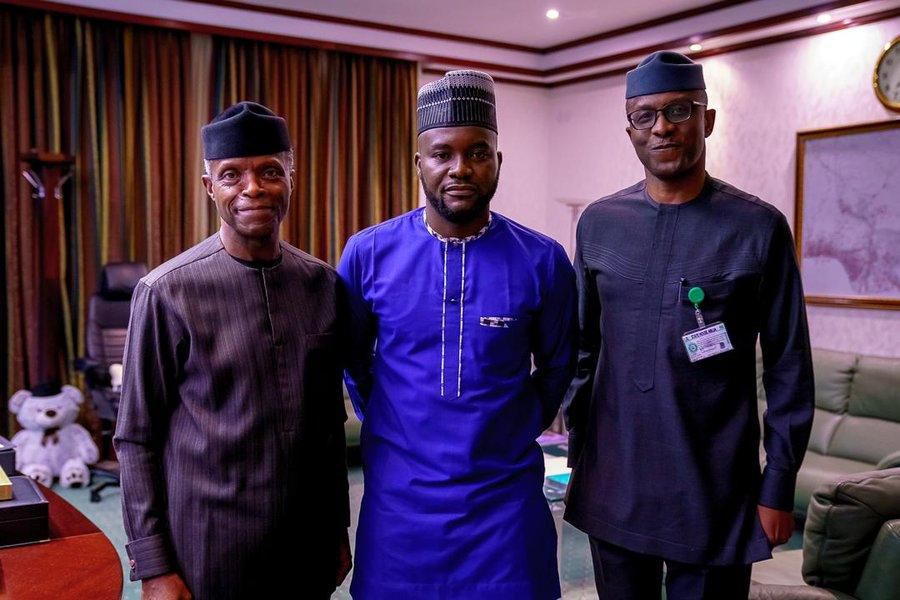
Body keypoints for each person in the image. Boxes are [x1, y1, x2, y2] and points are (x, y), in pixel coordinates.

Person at [562, 51, 815, 599]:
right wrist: (579, 461)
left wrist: (777, 487)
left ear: (708, 119)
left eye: (680, 110)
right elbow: (583, 352)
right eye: (645, 115)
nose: (663, 127)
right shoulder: (600, 224)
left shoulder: (758, 227)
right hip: (615, 485)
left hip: (715, 494)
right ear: (629, 129)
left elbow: (789, 368)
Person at [338, 70, 577, 599]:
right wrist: (396, 424)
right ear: (419, 163)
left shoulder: (542, 260)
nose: (459, 168)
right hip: (400, 503)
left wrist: (516, 425)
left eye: (478, 153)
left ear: (497, 161)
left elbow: (559, 365)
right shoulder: (368, 254)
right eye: (442, 154)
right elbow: (353, 361)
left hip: (505, 502)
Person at [114, 101, 351, 600]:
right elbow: (136, 439)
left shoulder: (323, 284)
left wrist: (337, 531)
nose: (252, 189)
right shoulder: (166, 292)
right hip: (207, 548)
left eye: (269, 171)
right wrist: (154, 567)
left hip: (304, 545)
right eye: (231, 176)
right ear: (209, 188)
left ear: (291, 177)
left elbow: (328, 426)